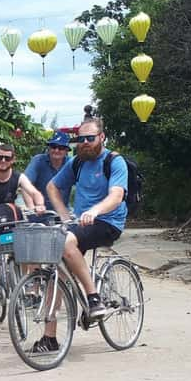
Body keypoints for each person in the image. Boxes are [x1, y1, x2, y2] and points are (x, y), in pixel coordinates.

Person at [36, 116, 129, 352]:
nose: (84, 143)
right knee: (56, 272)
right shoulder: (77, 162)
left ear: (102, 137)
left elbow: (116, 195)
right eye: (81, 139)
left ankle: (93, 297)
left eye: (90, 138)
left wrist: (95, 211)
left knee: (66, 242)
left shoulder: (114, 161)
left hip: (107, 221)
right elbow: (52, 187)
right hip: (81, 224)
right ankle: (49, 338)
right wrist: (64, 214)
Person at [24, 131, 73, 205]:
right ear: (49, 148)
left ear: (66, 150)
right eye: (53, 146)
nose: (56, 150)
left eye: (61, 148)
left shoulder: (71, 163)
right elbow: (25, 184)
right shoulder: (38, 160)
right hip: (40, 211)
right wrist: (31, 207)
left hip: (64, 211)